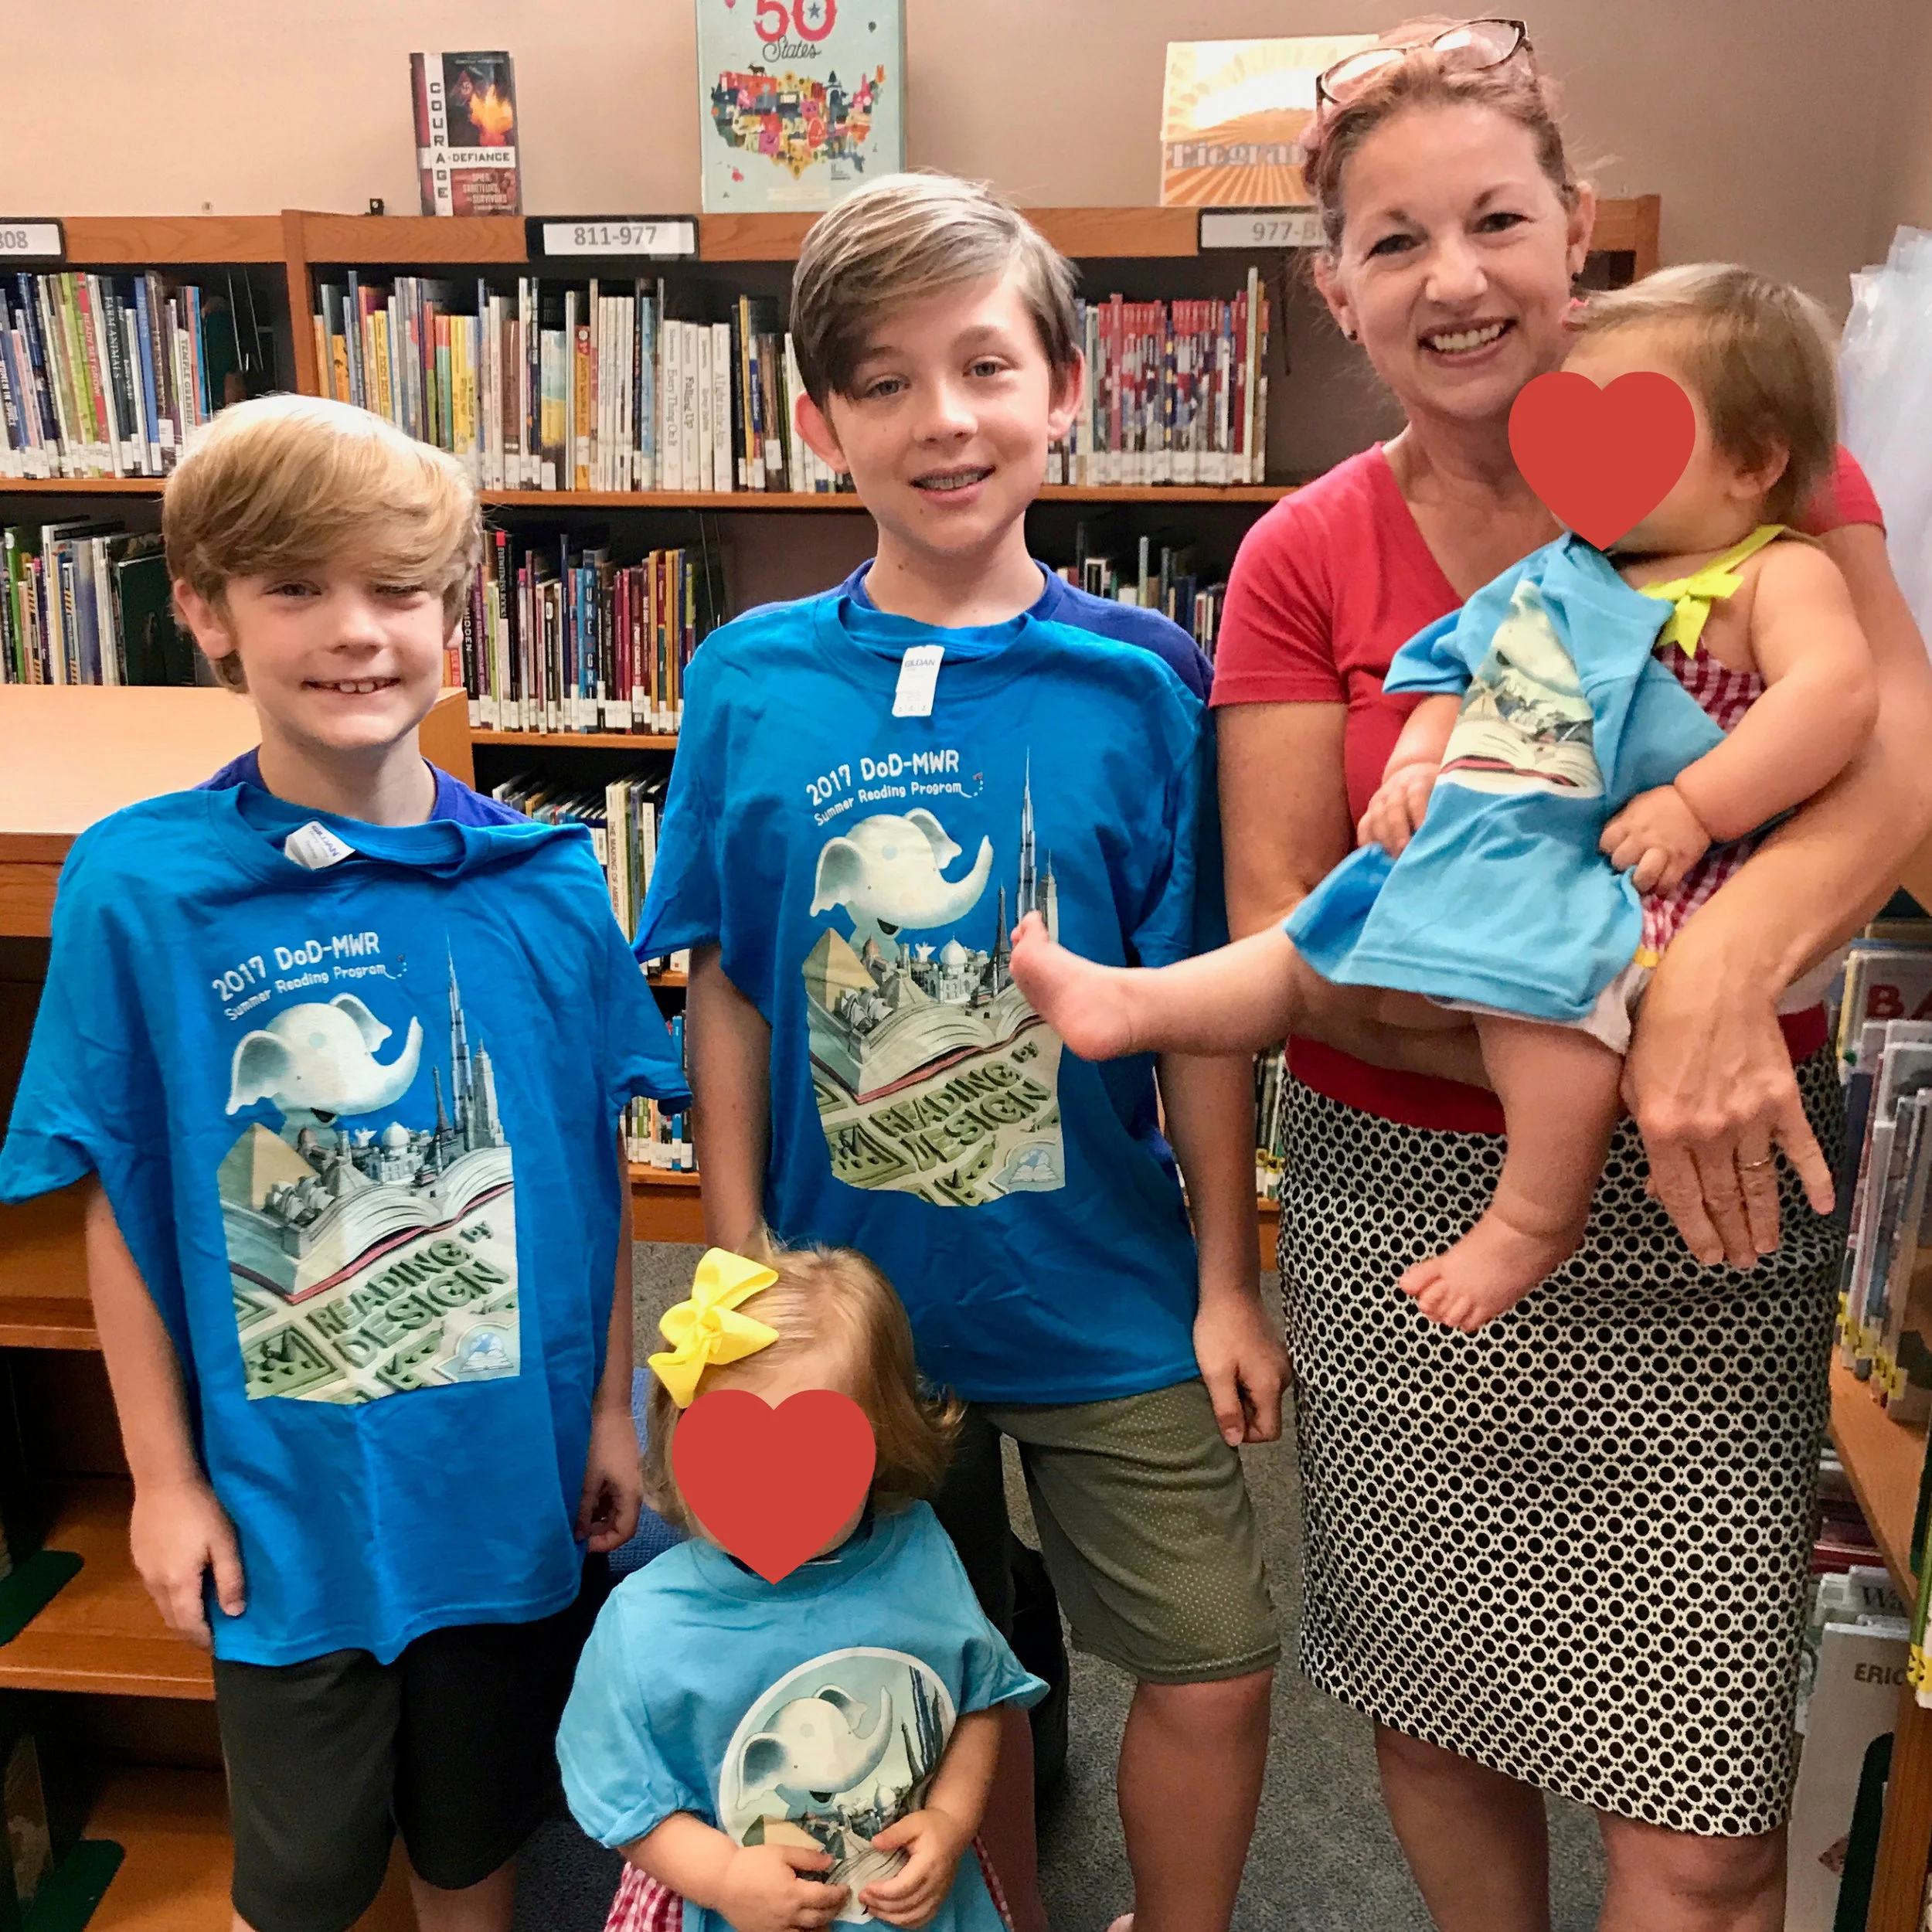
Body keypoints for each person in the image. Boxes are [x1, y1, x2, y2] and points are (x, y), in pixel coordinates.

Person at [1204, 19, 1932, 1932]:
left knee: (1699, 1813)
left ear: (1578, 230)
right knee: (1443, 1718)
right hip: (1409, 1216)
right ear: (1334, 286)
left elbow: (1895, 755)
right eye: (1393, 239)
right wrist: (1580, 1009)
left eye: (1497, 220)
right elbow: (1289, 914)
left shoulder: (1759, 470)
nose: (1455, 278)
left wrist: (1718, 979)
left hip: (1713, 1193)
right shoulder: (1305, 551)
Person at [633, 172, 1284, 1932]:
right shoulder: (750, 679)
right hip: (845, 1296)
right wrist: (736, 1252)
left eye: (985, 367)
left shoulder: (1151, 681)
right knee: (875, 1682)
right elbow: (734, 982)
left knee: (1214, 1659)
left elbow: (1201, 1006)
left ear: (1062, 387)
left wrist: (1228, 1278)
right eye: (886, 381)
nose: (944, 421)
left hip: (1097, 1280)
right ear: (819, 416)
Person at [0, 395, 692, 1932]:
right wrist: (165, 1478)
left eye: (395, 588)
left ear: (455, 609)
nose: (354, 632)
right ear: (205, 612)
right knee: (300, 1878)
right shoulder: (143, 888)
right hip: (281, 1508)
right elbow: (121, 1190)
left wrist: (608, 1409)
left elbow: (591, 1171)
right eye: (294, 587)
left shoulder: (547, 883)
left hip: (499, 1488)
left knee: (475, 1849)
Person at [1011, 264, 1879, 1335]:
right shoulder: (1561, 571)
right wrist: (1419, 768)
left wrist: (1700, 804)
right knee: (1311, 941)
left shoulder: (1771, 576)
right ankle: (1137, 1008)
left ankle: (1533, 1214)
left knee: (1544, 1008)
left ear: (1754, 464)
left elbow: (1835, 700)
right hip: (1488, 845)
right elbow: (1454, 673)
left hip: (1622, 882)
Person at [560, 1241, 1048, 1932]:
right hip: (728, 1907)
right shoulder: (645, 1623)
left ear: (881, 1446)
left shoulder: (921, 1552)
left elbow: (975, 1701)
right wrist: (724, 1877)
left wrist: (949, 1818)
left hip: (908, 1904)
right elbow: (624, 1801)